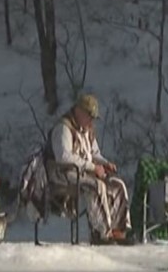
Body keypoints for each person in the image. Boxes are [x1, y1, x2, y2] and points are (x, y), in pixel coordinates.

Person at [46, 94, 131, 245]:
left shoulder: (87, 130)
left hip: (84, 171)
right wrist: (92, 167)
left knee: (117, 185)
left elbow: (94, 153)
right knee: (96, 186)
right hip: (63, 173)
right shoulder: (63, 128)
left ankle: (119, 229)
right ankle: (101, 232)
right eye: (89, 116)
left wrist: (104, 164)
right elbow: (63, 157)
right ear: (79, 111)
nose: (91, 120)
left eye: (93, 117)